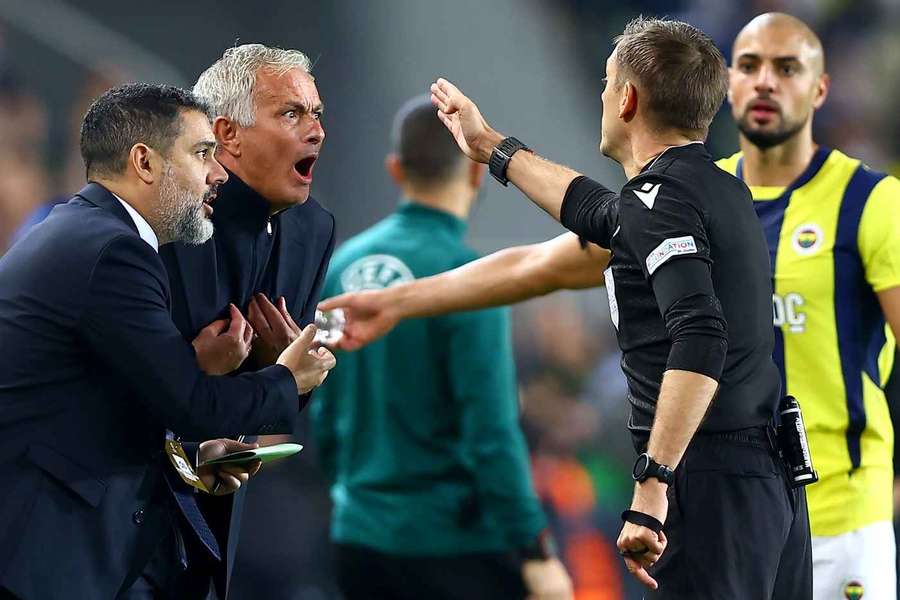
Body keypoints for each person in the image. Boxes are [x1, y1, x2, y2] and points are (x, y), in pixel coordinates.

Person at [325, 14, 900, 597]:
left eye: (606, 82)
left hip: (716, 481)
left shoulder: (663, 200)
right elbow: (592, 210)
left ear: (626, 99)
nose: (602, 95)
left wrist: (653, 484)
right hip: (767, 483)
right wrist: (491, 147)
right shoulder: (712, 189)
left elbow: (700, 338)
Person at [0, 84, 335, 599]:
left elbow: (102, 405)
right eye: (202, 154)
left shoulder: (87, 232)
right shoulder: (113, 252)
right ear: (145, 162)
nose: (218, 173)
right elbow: (193, 403)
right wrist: (288, 378)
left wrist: (188, 458)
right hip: (44, 553)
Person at [311, 96, 572, 600]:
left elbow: (321, 408)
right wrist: (536, 550)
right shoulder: (471, 277)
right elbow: (491, 431)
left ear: (395, 170)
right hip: (451, 547)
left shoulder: (341, 265)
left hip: (357, 539)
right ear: (475, 177)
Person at [717, 13, 900, 599]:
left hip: (841, 522)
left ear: (820, 88)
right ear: (727, 83)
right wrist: (501, 154)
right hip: (733, 522)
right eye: (749, 66)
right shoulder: (695, 197)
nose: (765, 81)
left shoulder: (870, 200)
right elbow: (549, 262)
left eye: (786, 67)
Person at [158, 43, 336, 598]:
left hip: (227, 498)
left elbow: (291, 390)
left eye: (317, 115)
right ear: (226, 136)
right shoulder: (164, 217)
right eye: (291, 114)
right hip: (122, 504)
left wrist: (281, 373)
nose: (316, 131)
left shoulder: (314, 229)